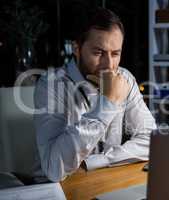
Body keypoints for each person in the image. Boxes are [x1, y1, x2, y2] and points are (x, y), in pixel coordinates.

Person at [33, 8, 156, 182]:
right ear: (77, 48)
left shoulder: (125, 78)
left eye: (115, 54)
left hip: (102, 177)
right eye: (98, 53)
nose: (109, 65)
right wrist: (108, 103)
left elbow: (152, 140)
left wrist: (97, 161)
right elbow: (55, 169)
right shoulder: (51, 85)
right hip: (55, 188)